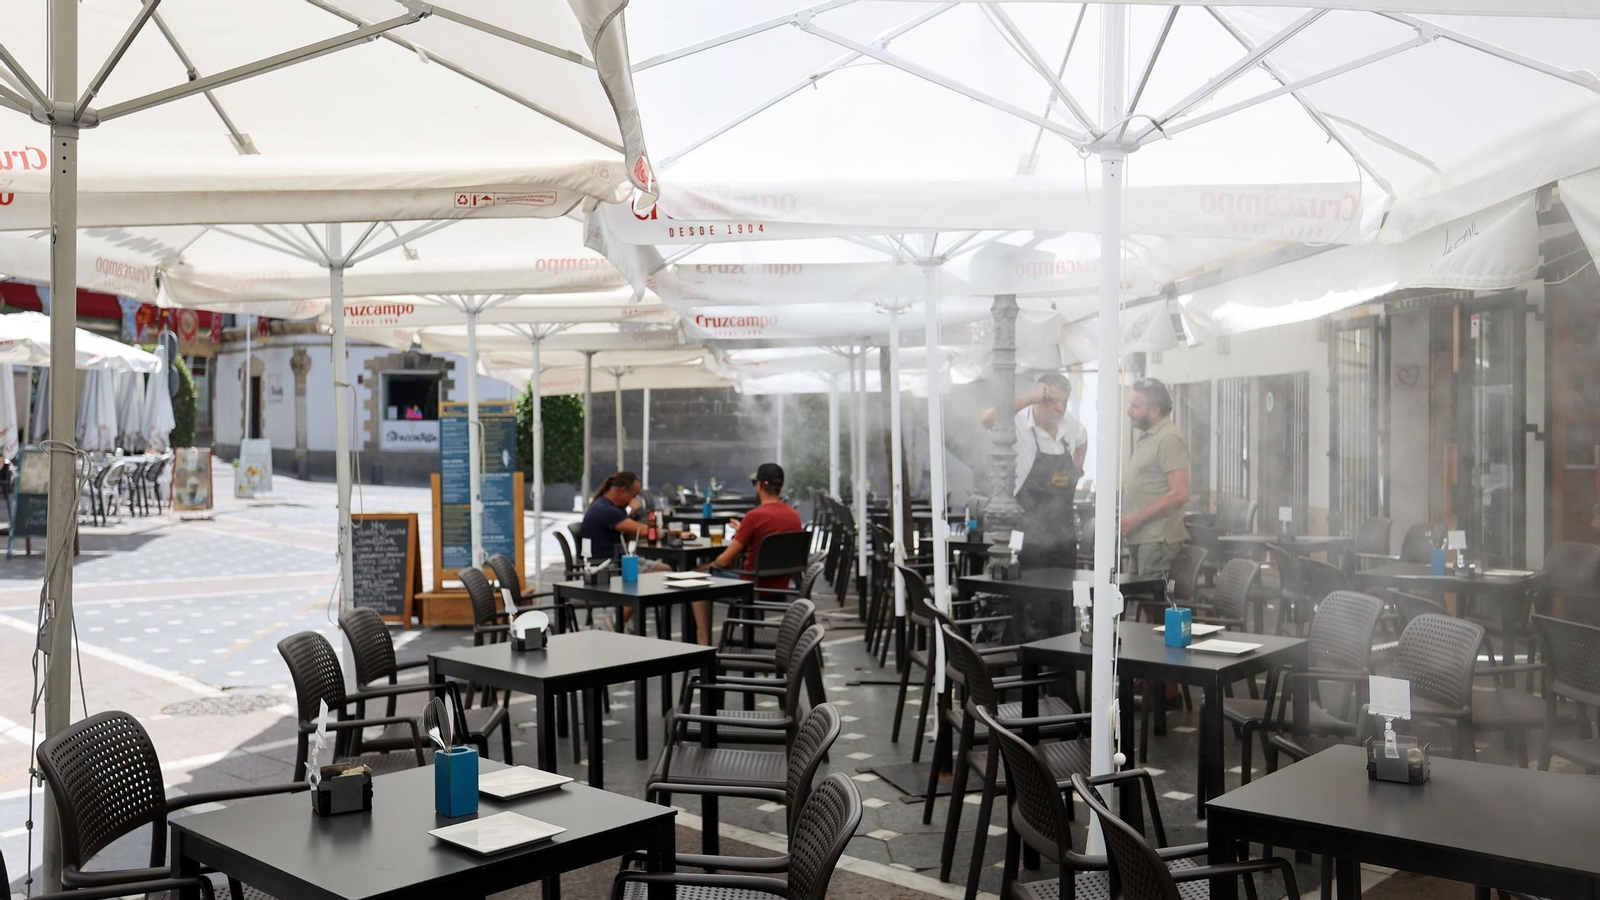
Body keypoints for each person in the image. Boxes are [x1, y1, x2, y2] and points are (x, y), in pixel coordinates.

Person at [981, 372, 1088, 569]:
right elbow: (987, 419)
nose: (1060, 408)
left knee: (1063, 594)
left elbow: (1083, 439)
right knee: (1026, 594)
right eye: (1054, 401)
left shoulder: (1070, 426)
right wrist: (1030, 398)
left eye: (1064, 402)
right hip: (1025, 534)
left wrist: (1076, 469)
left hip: (1063, 534)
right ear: (1040, 398)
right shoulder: (1019, 421)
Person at [578, 470, 691, 630]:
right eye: (635, 495)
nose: (636, 500)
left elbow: (631, 536)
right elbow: (644, 531)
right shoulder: (605, 510)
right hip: (605, 566)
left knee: (665, 570)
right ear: (623, 490)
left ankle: (631, 619)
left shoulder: (613, 508)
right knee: (656, 578)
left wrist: (634, 513)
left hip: (621, 558)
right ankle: (618, 620)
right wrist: (676, 535)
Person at [697, 463, 804, 626]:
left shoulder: (754, 517)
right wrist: (745, 532)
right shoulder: (794, 516)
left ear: (759, 486)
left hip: (750, 587)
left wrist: (707, 566)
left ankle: (703, 643)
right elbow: (771, 537)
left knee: (697, 580)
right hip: (781, 586)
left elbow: (724, 561)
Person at [1121, 378, 1190, 577]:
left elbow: (1180, 493)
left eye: (1135, 406)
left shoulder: (1167, 438)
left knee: (1155, 601)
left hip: (1158, 540)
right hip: (1141, 537)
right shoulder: (1149, 436)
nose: (1129, 411)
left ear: (1154, 410)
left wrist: (1137, 518)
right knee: (1142, 599)